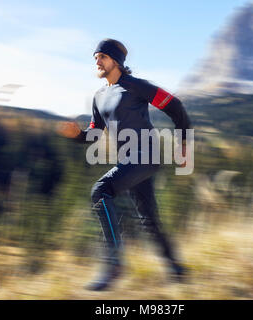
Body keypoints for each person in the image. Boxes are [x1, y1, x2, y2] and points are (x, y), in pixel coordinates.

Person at [57, 39, 191, 291]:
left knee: (101, 191)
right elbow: (95, 133)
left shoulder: (135, 87)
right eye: (95, 57)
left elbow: (175, 106)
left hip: (147, 155)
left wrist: (183, 142)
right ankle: (177, 269)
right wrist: (76, 135)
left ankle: (114, 265)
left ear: (116, 61)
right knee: (148, 219)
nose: (97, 61)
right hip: (129, 160)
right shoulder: (99, 97)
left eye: (102, 57)